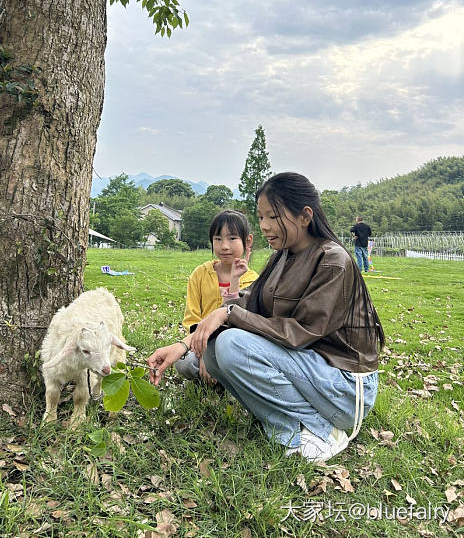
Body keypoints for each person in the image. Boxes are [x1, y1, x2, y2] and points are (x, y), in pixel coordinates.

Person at [148, 173, 384, 462]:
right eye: (260, 217)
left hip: (344, 388)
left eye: (272, 216)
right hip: (312, 374)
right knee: (213, 349)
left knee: (232, 343)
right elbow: (251, 302)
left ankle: (319, 430)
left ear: (304, 216)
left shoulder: (333, 260)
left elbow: (299, 333)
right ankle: (286, 426)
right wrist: (185, 345)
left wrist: (228, 312)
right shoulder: (282, 256)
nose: (264, 226)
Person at [174, 210, 258, 381]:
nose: (224, 246)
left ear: (247, 240)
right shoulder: (200, 274)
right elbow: (192, 319)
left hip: (234, 347)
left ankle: (226, 380)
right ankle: (217, 379)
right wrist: (205, 352)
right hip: (200, 342)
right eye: (218, 239)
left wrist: (235, 280)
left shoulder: (253, 280)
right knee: (184, 363)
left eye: (232, 238)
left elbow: (243, 325)